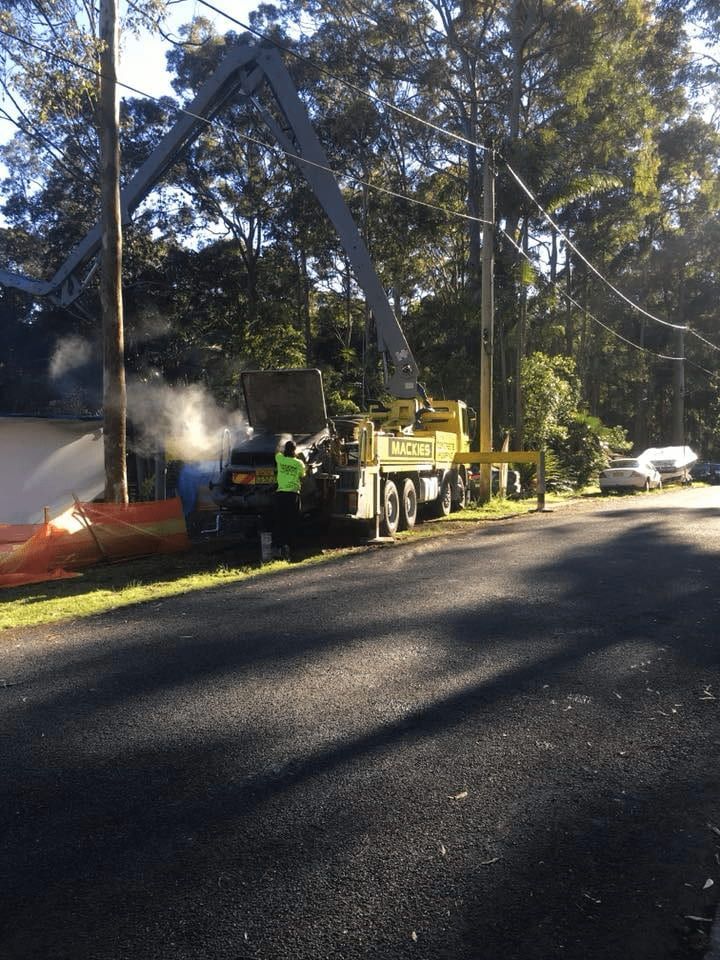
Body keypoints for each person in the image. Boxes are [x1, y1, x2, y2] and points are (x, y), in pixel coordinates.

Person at [273, 439, 305, 560]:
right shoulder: (299, 463)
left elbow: (277, 452)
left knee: (280, 521)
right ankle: (291, 549)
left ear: (285, 449)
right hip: (293, 496)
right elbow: (303, 475)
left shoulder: (280, 459)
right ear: (294, 450)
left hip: (280, 495)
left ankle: (279, 547)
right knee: (292, 522)